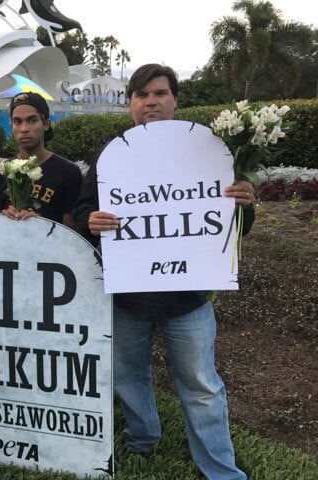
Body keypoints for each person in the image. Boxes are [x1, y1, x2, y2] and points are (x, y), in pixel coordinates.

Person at [73, 64, 254, 480]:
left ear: (175, 100)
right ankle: (142, 440)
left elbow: (230, 224)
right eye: (141, 95)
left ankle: (221, 470)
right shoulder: (111, 153)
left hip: (186, 300)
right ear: (130, 105)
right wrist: (90, 220)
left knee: (202, 387)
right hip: (127, 296)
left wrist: (244, 204)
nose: (150, 101)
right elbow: (84, 209)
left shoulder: (206, 149)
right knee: (127, 376)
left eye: (159, 93)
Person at [0, 92, 83, 228]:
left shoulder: (68, 172)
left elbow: (72, 230)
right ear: (12, 126)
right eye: (17, 122)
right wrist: (5, 218)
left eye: (32, 120)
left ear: (46, 124)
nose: (24, 129)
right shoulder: (0, 171)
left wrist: (40, 225)